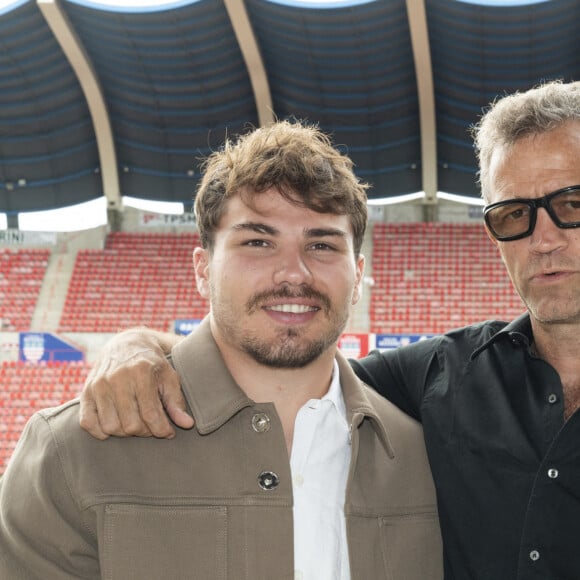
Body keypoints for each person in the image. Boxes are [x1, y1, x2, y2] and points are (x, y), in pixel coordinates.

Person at [77, 78, 580, 580]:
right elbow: (287, 366)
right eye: (515, 214)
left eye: (573, 204)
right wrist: (139, 347)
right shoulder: (443, 376)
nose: (544, 239)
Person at [0, 121, 442, 579]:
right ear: (202, 269)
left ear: (358, 275)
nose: (295, 273)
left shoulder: (428, 460)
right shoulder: (72, 451)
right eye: (258, 242)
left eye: (323, 244)